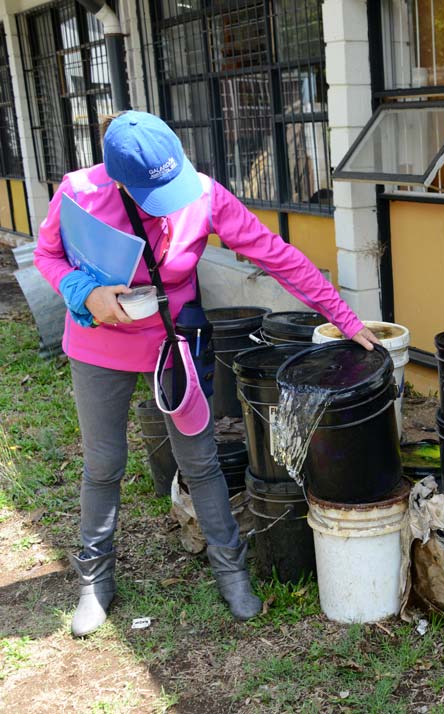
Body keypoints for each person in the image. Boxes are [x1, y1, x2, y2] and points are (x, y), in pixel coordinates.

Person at [34, 111, 379, 636]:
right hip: (98, 343)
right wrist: (83, 293)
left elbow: (278, 255)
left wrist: (345, 317)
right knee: (104, 464)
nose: (172, 204)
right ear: (119, 179)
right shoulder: (80, 192)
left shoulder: (203, 192)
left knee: (200, 460)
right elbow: (47, 255)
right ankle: (94, 582)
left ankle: (232, 572)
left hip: (173, 344)